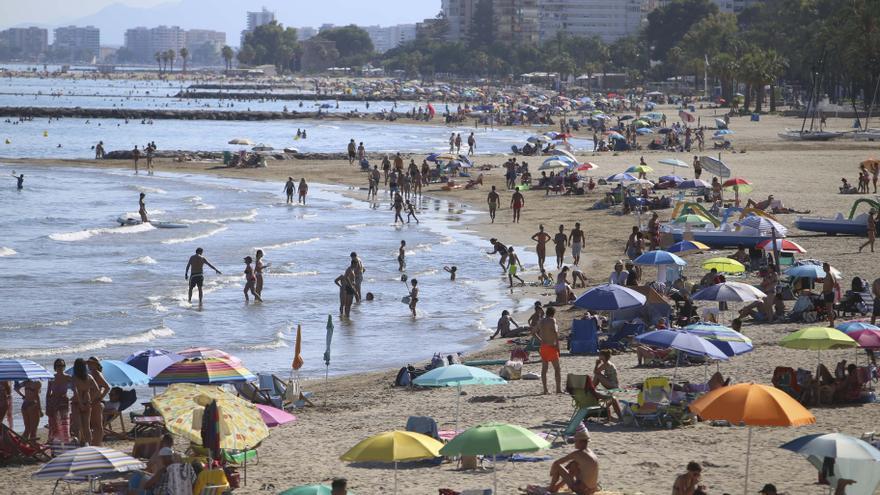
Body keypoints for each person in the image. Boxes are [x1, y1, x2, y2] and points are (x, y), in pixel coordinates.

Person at [547, 426, 598, 495]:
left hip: (582, 490)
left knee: (557, 466)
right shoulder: (591, 452)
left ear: (581, 442)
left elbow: (556, 463)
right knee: (573, 464)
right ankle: (558, 486)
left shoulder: (577, 454)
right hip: (591, 490)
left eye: (575, 441)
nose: (574, 443)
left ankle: (551, 488)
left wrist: (552, 472)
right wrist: (566, 469)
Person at [537, 307, 562, 394]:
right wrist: (558, 347)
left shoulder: (540, 321)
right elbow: (555, 333)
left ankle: (545, 390)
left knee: (544, 369)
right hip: (551, 347)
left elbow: (533, 332)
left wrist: (540, 340)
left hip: (543, 347)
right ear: (553, 313)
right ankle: (558, 389)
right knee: (557, 369)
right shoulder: (552, 320)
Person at [46, 358, 71, 443]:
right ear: (55, 367)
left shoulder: (68, 377)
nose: (60, 367)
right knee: (53, 425)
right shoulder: (51, 378)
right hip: (53, 403)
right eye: (58, 365)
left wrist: (73, 398)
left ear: (64, 367)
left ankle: (66, 442)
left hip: (64, 402)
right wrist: (47, 406)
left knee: (64, 425)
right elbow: (48, 393)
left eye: (62, 365)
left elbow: (76, 389)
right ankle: (54, 445)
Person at [86, 357, 110, 446]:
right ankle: (97, 443)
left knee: (97, 426)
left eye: (91, 363)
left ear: (96, 364)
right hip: (94, 402)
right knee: (95, 425)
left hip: (96, 403)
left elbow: (107, 387)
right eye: (88, 363)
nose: (89, 365)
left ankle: (97, 444)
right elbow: (103, 387)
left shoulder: (96, 373)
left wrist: (100, 398)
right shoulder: (93, 373)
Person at [822, 262, 836, 327]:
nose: (823, 268)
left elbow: (833, 282)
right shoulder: (828, 274)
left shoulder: (830, 273)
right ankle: (831, 323)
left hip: (829, 293)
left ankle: (832, 324)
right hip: (828, 292)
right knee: (829, 309)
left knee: (829, 309)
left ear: (827, 267)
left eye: (823, 267)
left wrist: (829, 290)